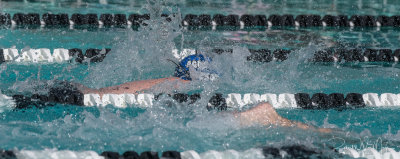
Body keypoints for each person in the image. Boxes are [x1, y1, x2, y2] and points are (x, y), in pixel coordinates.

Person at [13, 54, 332, 133]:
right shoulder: (197, 87)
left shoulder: (172, 82)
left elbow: (102, 94)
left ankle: (261, 115)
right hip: (208, 111)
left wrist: (73, 89)